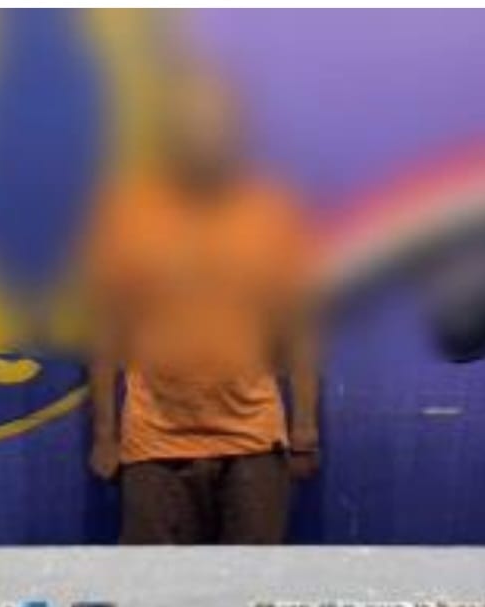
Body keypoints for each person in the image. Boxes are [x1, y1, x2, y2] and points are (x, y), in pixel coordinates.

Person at [85, 65, 320, 545]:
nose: (203, 134)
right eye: (191, 121)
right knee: (153, 590)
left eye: (215, 122)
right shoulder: (130, 212)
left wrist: (305, 429)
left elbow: (299, 329)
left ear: (237, 131)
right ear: (170, 130)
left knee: (253, 589)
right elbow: (106, 332)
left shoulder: (272, 213)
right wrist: (106, 435)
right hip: (152, 446)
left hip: (254, 444)